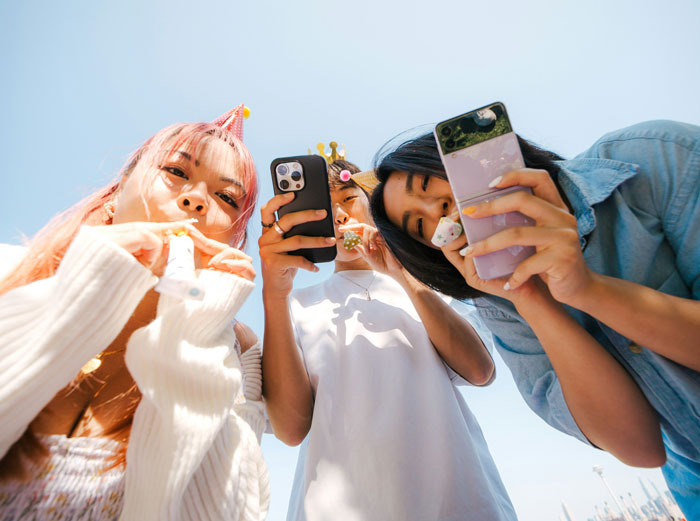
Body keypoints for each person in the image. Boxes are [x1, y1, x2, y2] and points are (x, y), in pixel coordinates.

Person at [369, 119, 700, 518]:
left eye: (426, 186)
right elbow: (639, 447)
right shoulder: (500, 308)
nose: (434, 209)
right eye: (421, 226)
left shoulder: (655, 157)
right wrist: (531, 296)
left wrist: (588, 287)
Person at [0, 105, 269, 520]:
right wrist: (91, 286)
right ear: (118, 190)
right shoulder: (9, 273)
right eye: (177, 172)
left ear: (235, 240)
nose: (196, 201)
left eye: (227, 197)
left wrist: (197, 329)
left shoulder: (225, 370)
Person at [259, 158, 518, 521]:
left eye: (348, 199)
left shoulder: (428, 287)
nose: (338, 215)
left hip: (458, 498)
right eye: (323, 209)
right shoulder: (295, 304)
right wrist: (273, 293)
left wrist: (402, 274)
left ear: (373, 204)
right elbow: (289, 429)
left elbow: (480, 370)